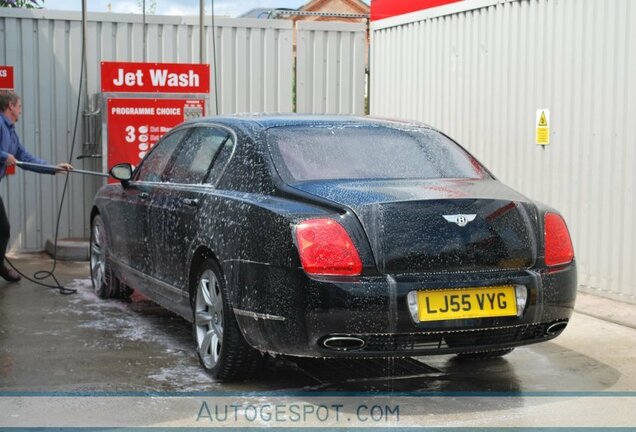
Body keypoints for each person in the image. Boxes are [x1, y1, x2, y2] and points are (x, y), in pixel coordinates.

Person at [0, 90, 73, 282]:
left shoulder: (10, 131)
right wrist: (3, 156)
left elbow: (25, 158)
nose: (21, 110)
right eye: (20, 106)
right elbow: (7, 155)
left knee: (3, 229)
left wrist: (53, 168)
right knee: (3, 228)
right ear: (11, 107)